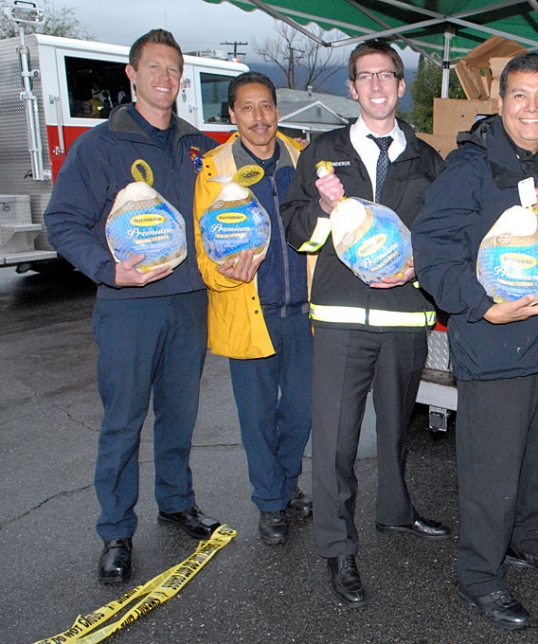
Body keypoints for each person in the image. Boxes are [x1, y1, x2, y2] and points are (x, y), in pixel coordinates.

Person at [411, 52, 538, 631]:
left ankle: (530, 541)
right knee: (491, 472)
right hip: (497, 342)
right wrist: (481, 305)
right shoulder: (470, 167)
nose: (532, 107)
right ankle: (479, 575)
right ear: (500, 103)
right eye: (520, 96)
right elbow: (432, 251)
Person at [43, 29, 221, 585]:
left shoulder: (200, 148)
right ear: (132, 74)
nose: (165, 79)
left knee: (180, 414)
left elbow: (222, 221)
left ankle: (177, 501)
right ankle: (116, 530)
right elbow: (62, 221)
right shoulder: (100, 146)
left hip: (189, 302)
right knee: (122, 421)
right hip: (128, 306)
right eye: (154, 68)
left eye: (174, 69)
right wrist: (105, 268)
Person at [280, 39, 450, 608]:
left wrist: (416, 266)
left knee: (398, 426)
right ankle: (337, 546)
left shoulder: (429, 159)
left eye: (387, 75)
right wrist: (325, 211)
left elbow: (442, 238)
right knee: (335, 440)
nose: (377, 85)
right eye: (365, 76)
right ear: (351, 88)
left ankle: (396, 513)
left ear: (402, 87)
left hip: (406, 315)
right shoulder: (323, 153)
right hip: (342, 319)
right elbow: (293, 229)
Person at [193, 72, 312, 546]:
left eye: (266, 107)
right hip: (250, 313)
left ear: (277, 111)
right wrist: (229, 275)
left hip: (304, 314)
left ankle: (285, 485)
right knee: (258, 418)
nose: (259, 118)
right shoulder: (213, 169)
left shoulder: (303, 159)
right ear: (231, 115)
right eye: (247, 108)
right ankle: (270, 501)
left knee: (300, 413)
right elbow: (204, 254)